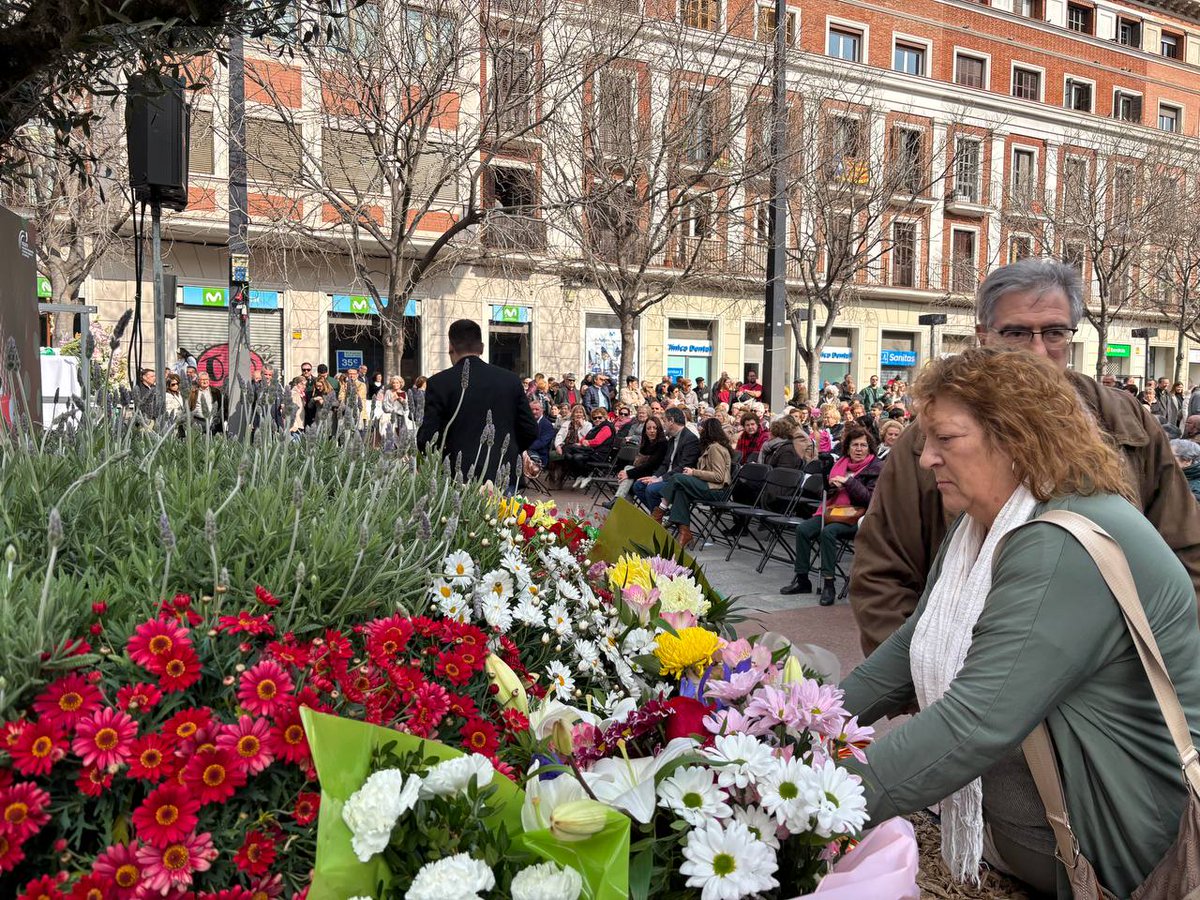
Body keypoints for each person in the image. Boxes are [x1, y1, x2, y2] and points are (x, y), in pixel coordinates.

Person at [840, 347, 1200, 898]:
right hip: (1031, 839)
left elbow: (974, 722)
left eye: (947, 439)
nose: (924, 458)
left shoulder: (1062, 541)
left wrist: (809, 801)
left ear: (1016, 437)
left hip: (1117, 854)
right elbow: (904, 657)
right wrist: (789, 723)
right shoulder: (984, 526)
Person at [850, 257, 1200, 657]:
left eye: (1054, 332)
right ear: (985, 337)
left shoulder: (1126, 419)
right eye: (1016, 333)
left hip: (1108, 682)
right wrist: (921, 679)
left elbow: (1185, 548)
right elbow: (883, 567)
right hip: (974, 680)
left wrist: (1168, 660)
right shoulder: (931, 439)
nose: (1037, 350)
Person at [416, 319, 537, 487]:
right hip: (503, 474)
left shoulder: (439, 383)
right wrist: (507, 449)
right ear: (481, 348)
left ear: (450, 347)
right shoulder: (510, 380)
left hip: (457, 476)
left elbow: (427, 438)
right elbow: (530, 429)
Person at [781, 424, 881, 605]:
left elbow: (870, 499)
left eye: (863, 445)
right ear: (848, 447)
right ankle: (802, 579)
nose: (859, 449)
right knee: (803, 530)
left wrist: (849, 483)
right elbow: (823, 494)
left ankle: (829, 583)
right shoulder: (840, 464)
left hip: (857, 515)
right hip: (832, 510)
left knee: (828, 533)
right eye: (855, 445)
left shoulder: (876, 467)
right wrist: (831, 488)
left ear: (869, 447)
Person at [655, 417, 734, 547]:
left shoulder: (715, 448)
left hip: (717, 490)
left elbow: (719, 477)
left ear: (709, 431)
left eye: (702, 428)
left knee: (677, 478)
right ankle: (685, 533)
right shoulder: (711, 447)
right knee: (681, 491)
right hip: (708, 486)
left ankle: (660, 511)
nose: (700, 431)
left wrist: (694, 473)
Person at [632, 407, 700, 512]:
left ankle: (658, 518)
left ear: (671, 421)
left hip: (678, 481)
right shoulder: (672, 439)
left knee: (651, 489)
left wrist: (659, 479)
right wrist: (655, 477)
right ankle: (660, 515)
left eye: (664, 421)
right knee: (638, 485)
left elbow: (683, 467)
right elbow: (665, 464)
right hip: (666, 477)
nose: (663, 424)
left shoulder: (690, 439)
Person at [612, 415, 669, 505]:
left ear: (659, 429)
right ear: (645, 431)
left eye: (655, 428)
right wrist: (626, 472)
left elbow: (651, 464)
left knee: (629, 475)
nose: (652, 431)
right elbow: (637, 461)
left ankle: (617, 501)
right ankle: (620, 504)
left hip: (654, 473)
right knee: (628, 470)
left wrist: (628, 473)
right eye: (649, 428)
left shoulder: (662, 443)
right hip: (643, 471)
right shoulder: (646, 442)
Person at [563, 408, 616, 484]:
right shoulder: (595, 428)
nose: (597, 419)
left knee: (575, 455)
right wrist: (583, 442)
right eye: (594, 418)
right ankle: (579, 475)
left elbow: (597, 441)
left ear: (605, 417)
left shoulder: (606, 427)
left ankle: (585, 475)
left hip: (599, 454)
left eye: (600, 417)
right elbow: (584, 438)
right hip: (590, 451)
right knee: (568, 455)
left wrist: (587, 442)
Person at [525, 399, 556, 471]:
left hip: (539, 456)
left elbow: (541, 442)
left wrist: (524, 447)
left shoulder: (547, 425)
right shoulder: (527, 422)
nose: (534, 412)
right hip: (526, 452)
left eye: (537, 409)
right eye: (532, 409)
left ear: (542, 410)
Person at [339, 367, 369, 434]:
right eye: (350, 374)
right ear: (347, 375)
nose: (352, 375)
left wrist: (351, 388)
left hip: (360, 414)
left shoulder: (362, 384)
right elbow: (341, 397)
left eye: (354, 374)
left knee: (359, 435)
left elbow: (360, 397)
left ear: (357, 375)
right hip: (347, 413)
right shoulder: (344, 385)